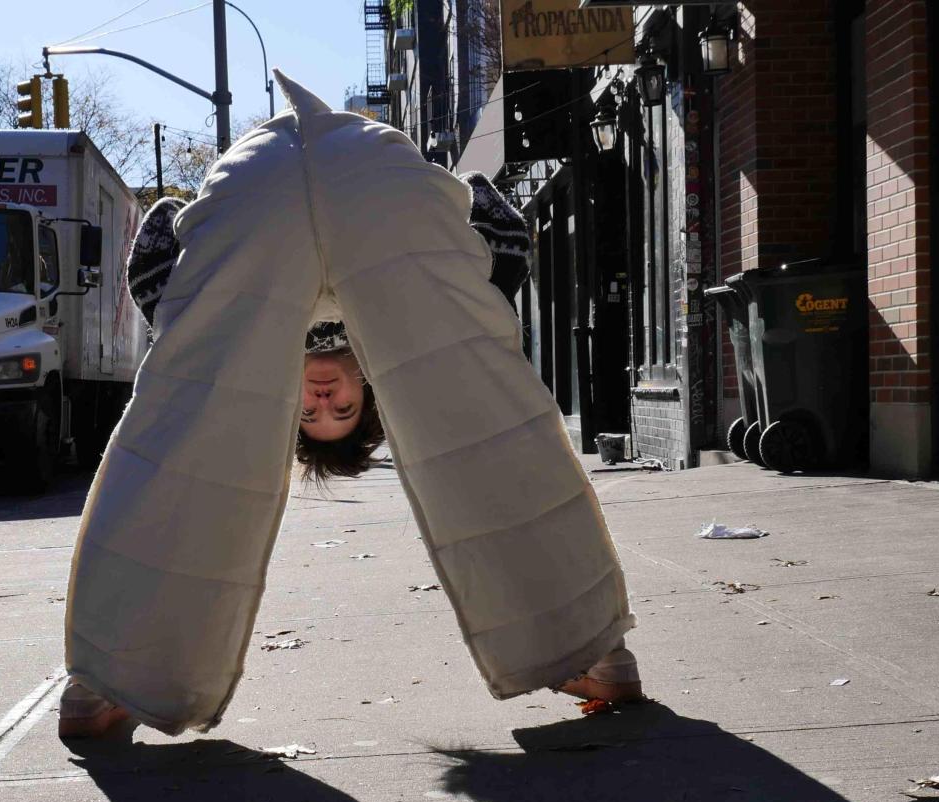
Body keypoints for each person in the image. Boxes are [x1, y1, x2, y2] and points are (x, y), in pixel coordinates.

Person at [61, 72, 642, 740]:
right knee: (492, 430)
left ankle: (103, 680)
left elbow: (157, 258)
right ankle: (595, 648)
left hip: (271, 183)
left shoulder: (262, 339)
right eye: (338, 413)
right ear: (373, 394)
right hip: (370, 176)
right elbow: (496, 233)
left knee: (182, 454)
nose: (322, 399)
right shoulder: (383, 333)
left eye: (309, 416)